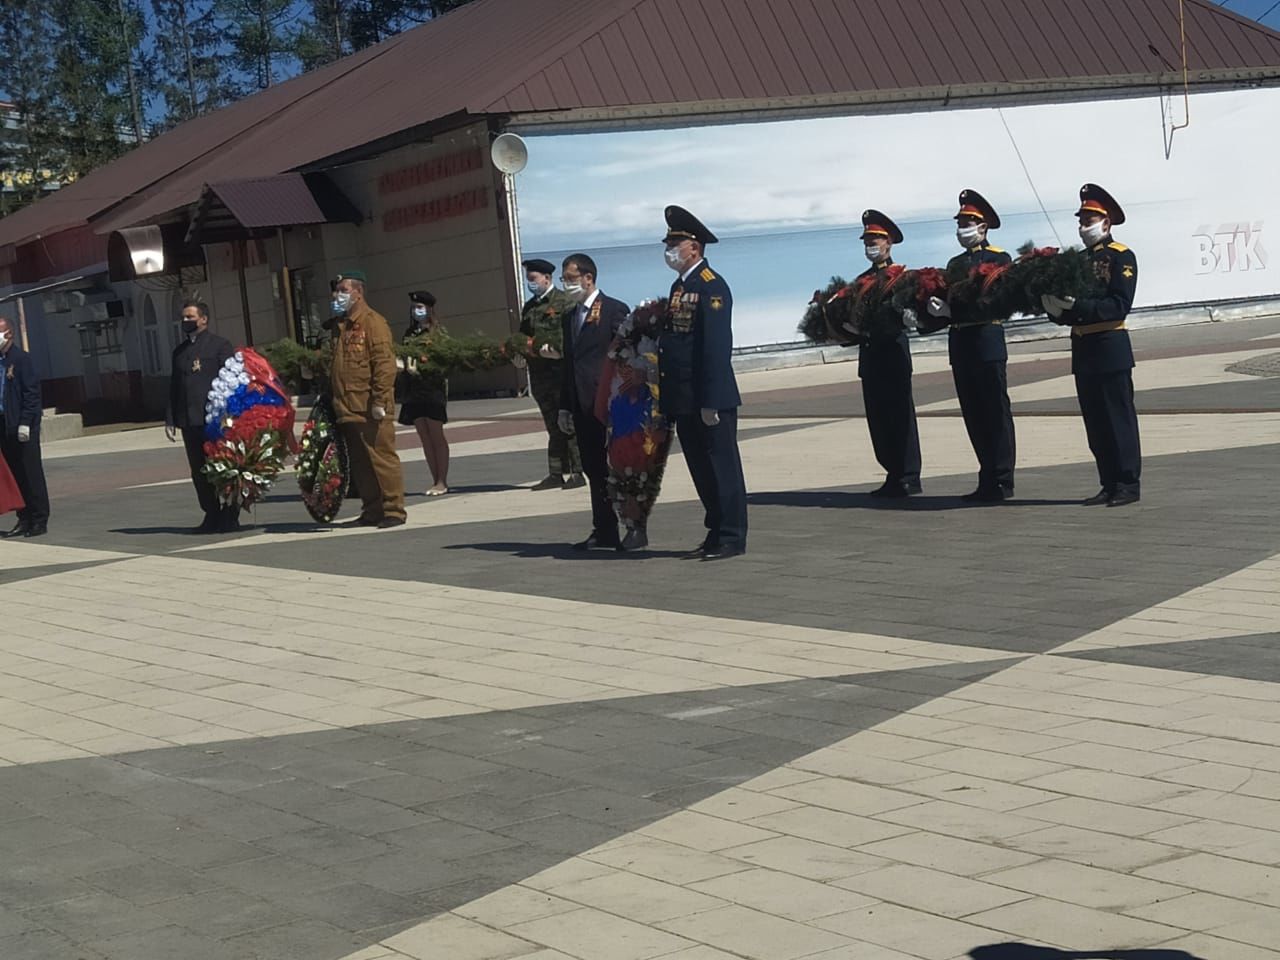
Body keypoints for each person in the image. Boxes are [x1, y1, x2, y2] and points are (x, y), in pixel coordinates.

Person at [658, 205, 748, 561]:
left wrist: (710, 400)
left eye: (675, 243)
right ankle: (715, 530)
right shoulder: (680, 286)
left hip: (709, 397)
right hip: (685, 397)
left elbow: (714, 348)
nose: (669, 249)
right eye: (668, 243)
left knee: (722, 467)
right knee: (700, 468)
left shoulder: (711, 286)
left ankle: (732, 536)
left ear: (694, 247)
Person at [1043, 183, 1141, 507]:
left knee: (1118, 419)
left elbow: (1118, 304)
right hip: (1084, 349)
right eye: (1082, 219)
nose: (1084, 225)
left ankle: (1127, 483)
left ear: (1106, 222)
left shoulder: (1121, 256)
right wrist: (1056, 310)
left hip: (1110, 344)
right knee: (1096, 424)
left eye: (1090, 219)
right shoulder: (1078, 262)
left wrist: (1078, 307)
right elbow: (1071, 311)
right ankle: (1108, 481)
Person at [924, 190, 1016, 501]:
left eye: (968, 222)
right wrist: (929, 315)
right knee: (974, 414)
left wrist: (954, 311)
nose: (962, 228)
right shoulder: (954, 263)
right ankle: (986, 477)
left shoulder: (999, 259)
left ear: (983, 226)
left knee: (995, 412)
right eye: (960, 222)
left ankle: (1002, 479)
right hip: (961, 343)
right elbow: (948, 305)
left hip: (987, 340)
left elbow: (996, 302)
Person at [556, 253, 629, 550]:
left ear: (588, 278)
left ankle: (632, 527)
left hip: (608, 404)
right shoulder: (569, 316)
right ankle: (604, 529)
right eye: (565, 280)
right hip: (581, 405)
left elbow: (626, 357)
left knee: (619, 468)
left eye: (571, 279)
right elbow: (568, 363)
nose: (567, 285)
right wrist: (564, 404)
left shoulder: (613, 310)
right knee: (594, 469)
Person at [329, 269, 407, 528]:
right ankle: (372, 508)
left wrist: (379, 400)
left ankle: (393, 509)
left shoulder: (373, 322)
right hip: (348, 405)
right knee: (361, 462)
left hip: (369, 404)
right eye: (336, 290)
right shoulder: (341, 326)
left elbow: (384, 364)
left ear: (358, 292)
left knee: (382, 458)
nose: (337, 295)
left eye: (343, 290)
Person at [854, 210, 922, 498]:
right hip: (870, 357)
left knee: (900, 416)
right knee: (878, 419)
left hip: (893, 353)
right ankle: (892, 473)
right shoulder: (861, 280)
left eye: (876, 239)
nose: (871, 245)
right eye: (867, 240)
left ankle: (909, 475)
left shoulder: (903, 277)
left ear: (889, 243)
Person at [595, 300, 673, 552]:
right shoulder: (626, 341)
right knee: (625, 465)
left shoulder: (661, 329)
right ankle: (633, 526)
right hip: (627, 413)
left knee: (649, 465)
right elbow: (614, 360)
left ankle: (720, 530)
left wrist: (648, 373)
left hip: (655, 409)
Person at [165, 299, 236, 532]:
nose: (185, 321)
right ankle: (211, 512)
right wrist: (171, 418)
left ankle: (230, 513)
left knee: (223, 467)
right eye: (183, 317)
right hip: (189, 420)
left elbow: (232, 382)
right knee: (198, 470)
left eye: (190, 317)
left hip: (215, 420)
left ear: (203, 319)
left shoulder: (220, 346)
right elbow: (175, 387)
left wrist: (230, 414)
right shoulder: (179, 352)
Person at [520, 258, 585, 491]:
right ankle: (556, 472)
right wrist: (518, 351)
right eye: (528, 279)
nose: (530, 283)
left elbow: (571, 336)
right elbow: (522, 337)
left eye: (533, 279)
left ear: (546, 278)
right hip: (539, 376)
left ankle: (578, 471)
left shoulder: (564, 302)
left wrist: (558, 351)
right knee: (551, 425)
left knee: (567, 424)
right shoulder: (530, 307)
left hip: (560, 374)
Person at [0, 315, 50, 538]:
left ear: (8, 333)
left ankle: (39, 519)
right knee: (15, 475)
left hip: (23, 427)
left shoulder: (21, 360)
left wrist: (25, 423)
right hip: (4, 425)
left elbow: (31, 395)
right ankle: (24, 517)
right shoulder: (1, 360)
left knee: (31, 474)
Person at [398, 291, 450, 496]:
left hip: (432, 389)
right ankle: (434, 479)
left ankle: (442, 480)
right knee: (424, 436)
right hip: (413, 391)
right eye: (413, 308)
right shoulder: (410, 333)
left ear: (429, 309)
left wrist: (423, 367)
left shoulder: (438, 332)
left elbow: (444, 359)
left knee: (436, 435)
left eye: (420, 307)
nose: (416, 311)